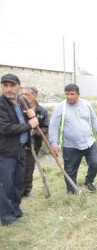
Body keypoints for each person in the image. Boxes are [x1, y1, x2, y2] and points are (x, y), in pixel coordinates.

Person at [49, 84, 97, 194]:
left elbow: (94, 119)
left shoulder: (86, 105)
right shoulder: (60, 107)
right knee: (70, 170)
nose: (69, 97)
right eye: (67, 94)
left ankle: (89, 182)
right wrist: (54, 144)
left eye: (72, 94)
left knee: (95, 163)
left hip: (89, 142)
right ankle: (72, 191)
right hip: (70, 146)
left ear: (78, 95)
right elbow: (53, 127)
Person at [0, 74, 39, 226]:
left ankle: (16, 210)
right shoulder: (1, 104)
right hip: (5, 152)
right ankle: (7, 217)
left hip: (21, 149)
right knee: (6, 185)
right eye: (5, 85)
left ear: (19, 86)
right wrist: (30, 125)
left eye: (12, 85)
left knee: (18, 182)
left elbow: (26, 121)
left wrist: (31, 116)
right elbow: (5, 128)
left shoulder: (21, 101)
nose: (9, 89)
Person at [21, 87, 49, 197]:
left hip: (33, 144)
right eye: (22, 94)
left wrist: (34, 132)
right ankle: (17, 191)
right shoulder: (18, 108)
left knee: (29, 168)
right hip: (18, 145)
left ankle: (26, 191)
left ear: (35, 96)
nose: (23, 96)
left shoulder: (42, 111)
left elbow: (46, 128)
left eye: (27, 94)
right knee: (17, 169)